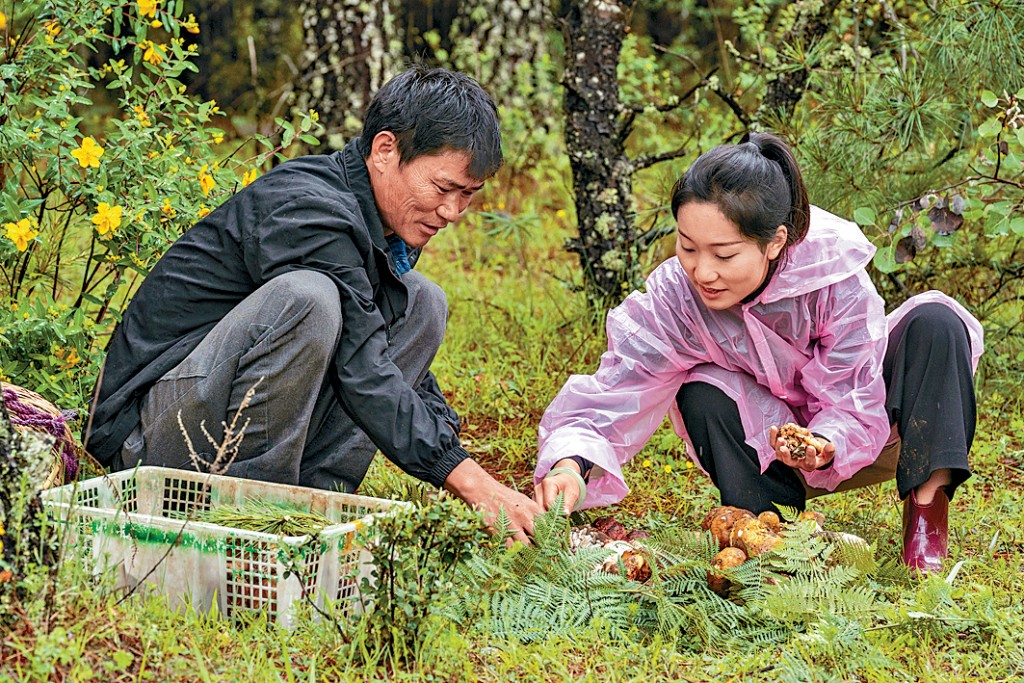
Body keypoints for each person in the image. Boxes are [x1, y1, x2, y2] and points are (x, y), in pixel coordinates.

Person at [86, 66, 542, 542]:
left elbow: (383, 357)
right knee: (309, 299)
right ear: (385, 150)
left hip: (215, 419)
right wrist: (470, 482)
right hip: (147, 443)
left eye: (467, 195)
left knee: (424, 302)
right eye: (443, 188)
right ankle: (255, 521)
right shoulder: (307, 209)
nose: (451, 212)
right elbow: (363, 365)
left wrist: (462, 461)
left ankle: (311, 510)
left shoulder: (378, 224)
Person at [532, 132, 983, 574]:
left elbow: (852, 392)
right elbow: (618, 386)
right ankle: (772, 531)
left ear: (775, 241)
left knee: (937, 324)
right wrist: (571, 463)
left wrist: (825, 443)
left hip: (874, 430)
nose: (702, 271)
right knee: (699, 389)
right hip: (762, 449)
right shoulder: (676, 297)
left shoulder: (830, 275)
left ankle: (927, 515)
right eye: (688, 247)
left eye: (724, 255)